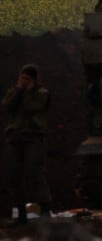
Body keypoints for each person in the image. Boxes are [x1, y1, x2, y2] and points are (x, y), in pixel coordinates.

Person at [2, 63, 52, 226]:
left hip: (33, 137)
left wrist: (28, 91)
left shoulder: (41, 93)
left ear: (34, 80)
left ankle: (45, 210)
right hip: (15, 137)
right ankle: (21, 214)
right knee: (14, 175)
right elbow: (7, 107)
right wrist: (19, 91)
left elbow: (31, 108)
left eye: (26, 79)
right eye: (21, 78)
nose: (23, 81)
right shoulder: (15, 92)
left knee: (34, 172)